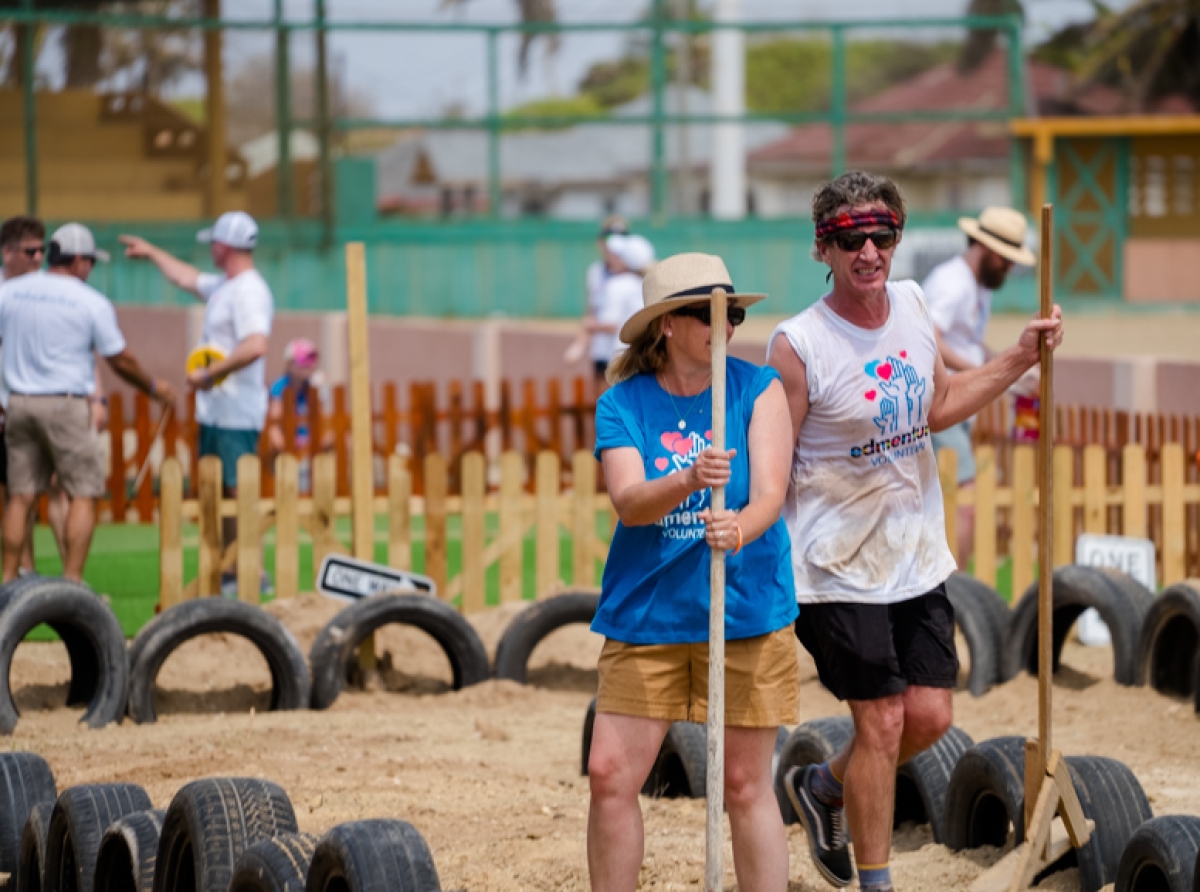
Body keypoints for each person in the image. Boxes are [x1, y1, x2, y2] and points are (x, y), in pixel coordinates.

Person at [767, 171, 1063, 892]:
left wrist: (1020, 356)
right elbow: (772, 465)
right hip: (834, 565)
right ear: (823, 248)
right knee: (884, 725)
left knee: (930, 716)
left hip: (914, 555)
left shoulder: (915, 303)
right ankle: (877, 883)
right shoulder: (798, 344)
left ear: (896, 237)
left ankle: (823, 787)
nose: (869, 251)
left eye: (881, 235)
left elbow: (937, 404)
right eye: (850, 239)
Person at [587, 252, 799, 892]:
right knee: (610, 775)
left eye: (730, 312)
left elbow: (770, 492)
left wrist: (740, 526)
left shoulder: (756, 388)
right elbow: (629, 503)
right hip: (647, 612)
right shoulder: (622, 404)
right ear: (666, 327)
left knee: (743, 783)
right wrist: (687, 478)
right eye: (705, 314)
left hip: (744, 609)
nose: (725, 324)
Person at [0, 223, 175, 584]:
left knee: (20, 497)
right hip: (65, 405)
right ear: (79, 260)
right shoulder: (90, 301)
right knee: (82, 492)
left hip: (17, 403)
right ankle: (73, 581)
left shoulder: (10, 292)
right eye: (90, 262)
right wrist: (155, 387)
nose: (90, 269)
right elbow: (120, 360)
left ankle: (7, 578)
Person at [119, 211, 273, 591]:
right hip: (219, 411)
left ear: (224, 246)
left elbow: (255, 345)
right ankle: (228, 567)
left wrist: (209, 374)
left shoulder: (249, 291)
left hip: (235, 411)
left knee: (239, 489)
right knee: (218, 490)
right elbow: (186, 276)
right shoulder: (226, 285)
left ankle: (253, 570)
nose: (211, 250)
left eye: (214, 244)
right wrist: (153, 252)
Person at [923, 206, 1036, 565]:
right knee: (966, 500)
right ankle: (955, 590)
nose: (1010, 269)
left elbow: (966, 342)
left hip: (953, 401)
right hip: (939, 400)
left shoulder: (975, 286)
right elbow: (929, 340)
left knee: (946, 500)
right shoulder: (953, 284)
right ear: (990, 251)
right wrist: (983, 371)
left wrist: (1007, 364)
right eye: (1007, 261)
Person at [266, 338, 332, 493]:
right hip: (288, 447)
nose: (309, 366)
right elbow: (273, 424)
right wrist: (286, 448)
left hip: (310, 446)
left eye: (312, 360)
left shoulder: (313, 388)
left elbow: (324, 419)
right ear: (290, 363)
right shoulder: (280, 388)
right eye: (303, 360)